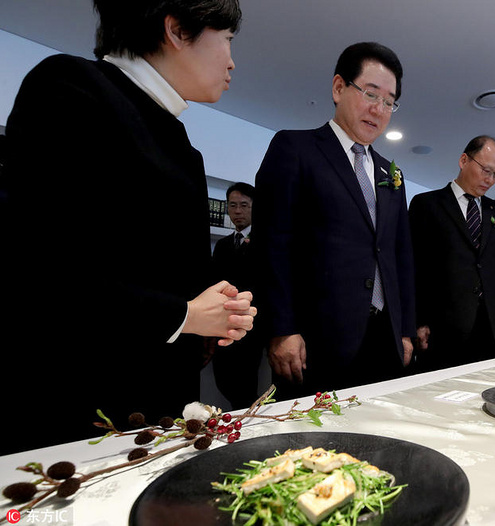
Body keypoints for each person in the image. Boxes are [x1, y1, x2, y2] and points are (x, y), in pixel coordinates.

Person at [0, 0, 256, 454]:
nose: (233, 61)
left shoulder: (182, 144)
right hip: (80, 407)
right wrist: (186, 315)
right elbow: (41, 264)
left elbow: (171, 274)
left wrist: (219, 309)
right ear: (177, 30)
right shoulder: (70, 85)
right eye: (228, 39)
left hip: (160, 405)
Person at [253, 42, 415, 399]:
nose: (379, 109)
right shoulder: (295, 149)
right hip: (315, 339)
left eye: (389, 102)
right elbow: (271, 246)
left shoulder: (392, 173)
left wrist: (404, 330)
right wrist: (282, 329)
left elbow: (399, 257)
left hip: (382, 337)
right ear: (339, 87)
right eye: (371, 94)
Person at [408, 136, 495, 370]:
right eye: (485, 170)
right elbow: (415, 268)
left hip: (492, 326)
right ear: (463, 160)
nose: (489, 180)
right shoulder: (427, 204)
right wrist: (418, 321)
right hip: (443, 327)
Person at [211, 182, 263, 409]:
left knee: (248, 384)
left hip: (254, 325)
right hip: (223, 324)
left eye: (244, 205)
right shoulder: (222, 245)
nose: (238, 211)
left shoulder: (265, 242)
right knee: (224, 380)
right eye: (232, 205)